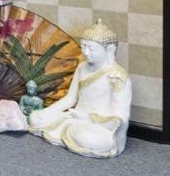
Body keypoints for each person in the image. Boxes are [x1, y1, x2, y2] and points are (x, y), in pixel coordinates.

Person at [27, 19, 131, 158]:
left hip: (98, 126)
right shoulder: (82, 67)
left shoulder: (117, 76)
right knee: (35, 118)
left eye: (91, 48)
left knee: (89, 138)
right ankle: (69, 131)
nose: (86, 52)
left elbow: (120, 117)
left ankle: (72, 132)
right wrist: (47, 111)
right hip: (74, 117)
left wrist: (87, 118)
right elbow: (70, 98)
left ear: (109, 49)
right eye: (83, 47)